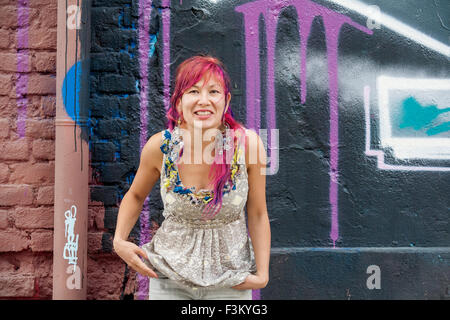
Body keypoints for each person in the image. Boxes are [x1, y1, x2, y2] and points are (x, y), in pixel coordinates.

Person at [113, 54, 271, 300]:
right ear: (179, 102)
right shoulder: (160, 147)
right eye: (193, 91)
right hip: (170, 279)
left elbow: (258, 213)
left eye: (214, 91)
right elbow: (135, 195)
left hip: (230, 282)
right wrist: (119, 241)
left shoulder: (248, 146)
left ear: (226, 101)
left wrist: (262, 274)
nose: (204, 101)